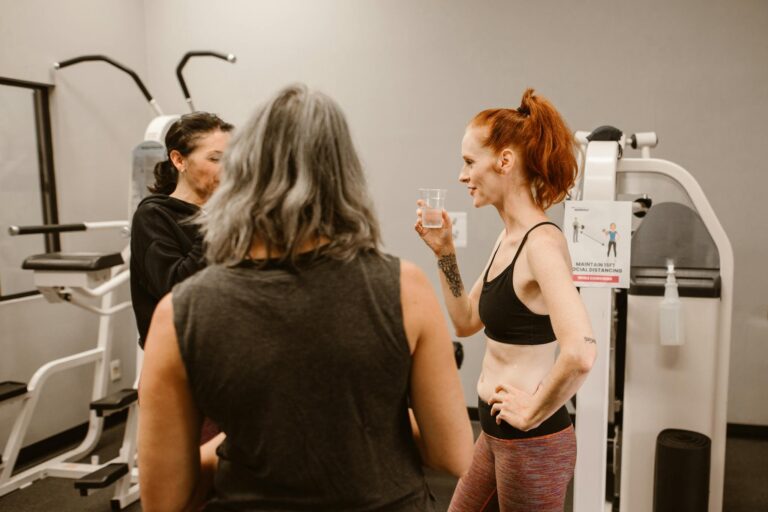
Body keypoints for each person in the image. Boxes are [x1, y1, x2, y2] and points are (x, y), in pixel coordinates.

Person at [138, 84, 474, 512]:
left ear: (242, 175)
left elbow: (162, 500)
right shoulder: (406, 288)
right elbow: (453, 454)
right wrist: (368, 413)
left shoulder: (178, 312)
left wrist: (253, 432)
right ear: (346, 177)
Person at [415, 88, 596, 512]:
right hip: (495, 433)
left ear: (505, 161)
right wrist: (445, 254)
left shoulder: (541, 244)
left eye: (468, 162)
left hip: (533, 442)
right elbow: (466, 320)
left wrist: (532, 410)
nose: (462, 176)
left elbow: (581, 352)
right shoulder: (508, 238)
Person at [130, 111, 233, 350]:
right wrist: (219, 218)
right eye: (215, 159)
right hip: (179, 352)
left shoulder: (231, 213)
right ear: (179, 160)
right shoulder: (153, 216)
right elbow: (177, 290)